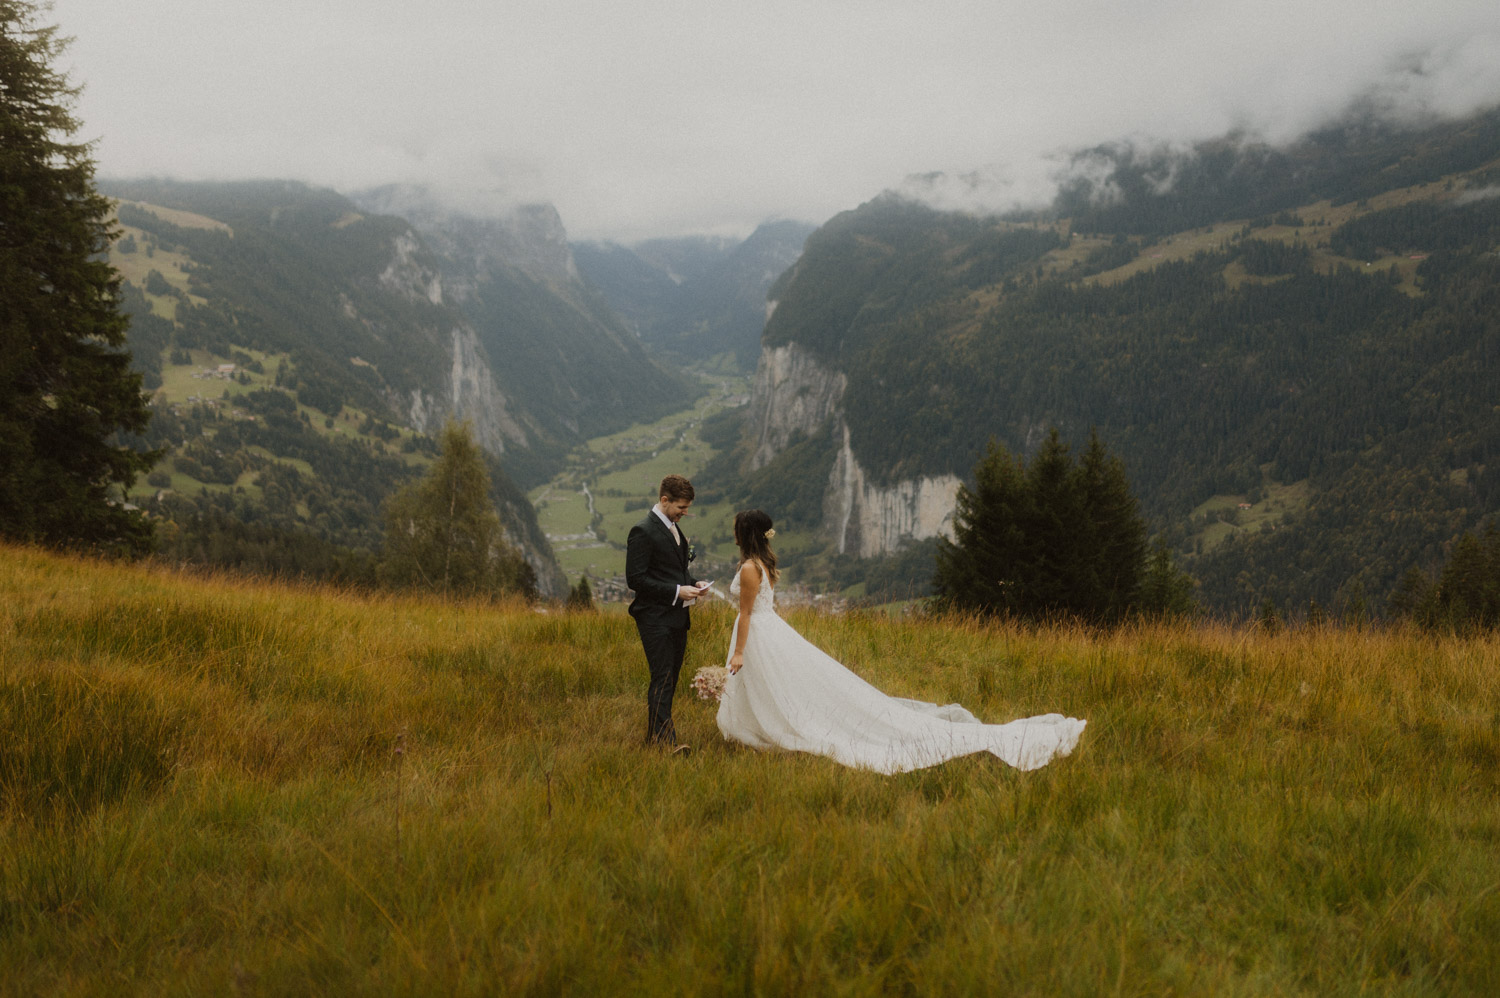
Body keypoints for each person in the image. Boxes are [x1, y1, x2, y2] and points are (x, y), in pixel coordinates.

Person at [717, 509, 1086, 774]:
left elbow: (747, 614)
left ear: (744, 534)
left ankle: (772, 730)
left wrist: (737, 652)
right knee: (778, 688)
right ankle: (763, 728)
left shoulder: (749, 568)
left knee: (778, 688)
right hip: (771, 632)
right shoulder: (760, 564)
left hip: (761, 635)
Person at [626, 474, 711, 752]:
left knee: (670, 678)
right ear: (665, 500)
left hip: (676, 617)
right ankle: (666, 744)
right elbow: (635, 580)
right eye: (681, 508)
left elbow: (675, 570)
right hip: (653, 617)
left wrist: (693, 582)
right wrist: (676, 591)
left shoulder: (673, 527)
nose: (685, 513)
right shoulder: (643, 530)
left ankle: (654, 739)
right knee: (662, 677)